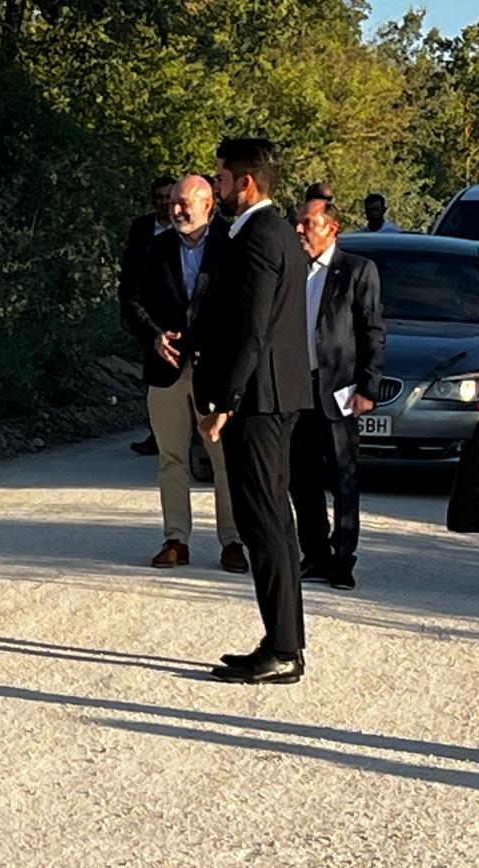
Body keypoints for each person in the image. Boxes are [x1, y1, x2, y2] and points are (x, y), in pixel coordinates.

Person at [195, 138, 313, 685]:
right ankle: (281, 640)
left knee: (264, 525)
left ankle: (285, 650)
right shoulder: (277, 233)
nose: (216, 187)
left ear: (244, 182)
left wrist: (224, 402)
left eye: (220, 178)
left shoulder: (259, 237)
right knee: (275, 525)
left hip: (259, 402)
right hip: (274, 397)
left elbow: (252, 331)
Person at [120, 176, 246, 573]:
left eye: (183, 203)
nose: (175, 210)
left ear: (208, 204)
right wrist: (153, 336)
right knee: (170, 457)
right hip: (167, 369)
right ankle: (176, 539)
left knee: (225, 461)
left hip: (216, 372)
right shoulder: (153, 248)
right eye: (172, 202)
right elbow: (130, 300)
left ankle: (233, 543)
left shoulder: (234, 245)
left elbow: (248, 306)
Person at [291, 196, 385, 592]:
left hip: (340, 390)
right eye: (297, 223)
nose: (299, 230)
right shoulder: (292, 270)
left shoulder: (357, 271)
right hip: (296, 390)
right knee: (301, 479)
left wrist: (368, 388)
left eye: (307, 223)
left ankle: (343, 559)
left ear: (331, 227)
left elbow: (372, 332)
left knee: (343, 479)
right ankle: (315, 555)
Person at [120, 176, 178, 457]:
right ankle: (157, 432)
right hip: (146, 310)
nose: (164, 202)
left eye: (169, 196)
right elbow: (130, 266)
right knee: (153, 374)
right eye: (159, 196)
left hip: (176, 309)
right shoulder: (142, 227)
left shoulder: (186, 227)